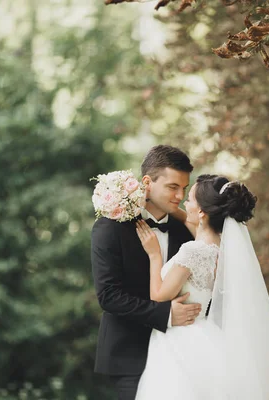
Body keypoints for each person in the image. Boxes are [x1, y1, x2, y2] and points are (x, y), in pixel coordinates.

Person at [134, 174, 269, 400]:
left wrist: (154, 256)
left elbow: (159, 296)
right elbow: (190, 220)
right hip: (204, 334)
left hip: (179, 341)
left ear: (201, 211)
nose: (183, 203)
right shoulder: (221, 246)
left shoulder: (193, 251)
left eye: (189, 199)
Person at [91, 145, 202, 400]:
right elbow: (108, 296)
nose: (179, 195)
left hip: (181, 351)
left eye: (184, 188)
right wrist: (166, 314)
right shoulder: (110, 228)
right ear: (147, 182)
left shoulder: (185, 230)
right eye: (173, 187)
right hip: (129, 353)